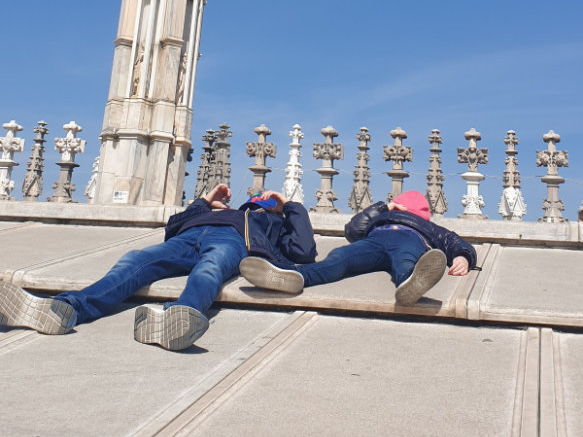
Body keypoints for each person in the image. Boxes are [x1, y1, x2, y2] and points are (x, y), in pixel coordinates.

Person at [0, 184, 317, 351]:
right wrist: (205, 202)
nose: (260, 199)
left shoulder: (271, 222)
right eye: (257, 197)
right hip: (189, 236)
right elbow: (172, 227)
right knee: (135, 259)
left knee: (210, 268)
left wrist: (289, 206)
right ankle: (66, 309)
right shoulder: (215, 210)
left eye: (265, 198)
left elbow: (303, 250)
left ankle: (180, 316)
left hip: (232, 240)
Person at [239, 190, 477, 306]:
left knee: (401, 261)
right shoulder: (381, 218)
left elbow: (453, 241)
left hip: (408, 239)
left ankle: (410, 283)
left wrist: (463, 257)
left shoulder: (426, 226)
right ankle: (292, 276)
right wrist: (382, 208)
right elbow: (353, 230)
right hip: (376, 240)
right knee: (340, 258)